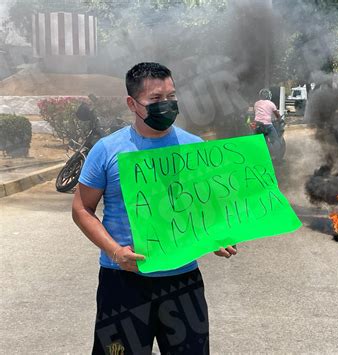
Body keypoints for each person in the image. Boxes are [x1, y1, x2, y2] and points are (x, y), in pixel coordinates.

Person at [72, 62, 237, 355]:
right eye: (156, 100)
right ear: (132, 103)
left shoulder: (194, 149)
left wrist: (217, 235)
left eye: (171, 97)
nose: (167, 105)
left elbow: (204, 208)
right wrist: (115, 251)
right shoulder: (108, 150)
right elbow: (82, 209)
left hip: (182, 281)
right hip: (122, 283)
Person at [253, 88, 282, 152]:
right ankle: (276, 155)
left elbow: (255, 112)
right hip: (267, 125)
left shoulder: (256, 103)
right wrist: (279, 119)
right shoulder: (271, 104)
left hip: (257, 124)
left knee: (256, 140)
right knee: (275, 139)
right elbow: (277, 115)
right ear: (268, 96)